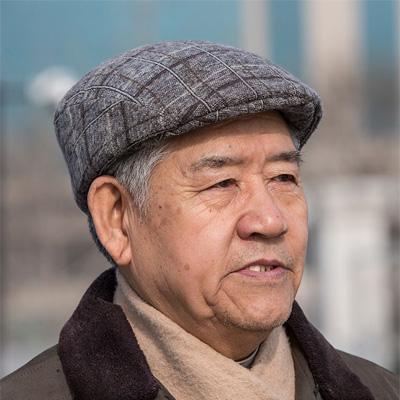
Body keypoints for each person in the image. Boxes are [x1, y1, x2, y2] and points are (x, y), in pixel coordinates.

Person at [1, 40, 398, 400]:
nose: (271, 220)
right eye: (222, 183)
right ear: (117, 219)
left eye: (283, 178)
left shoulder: (380, 389)